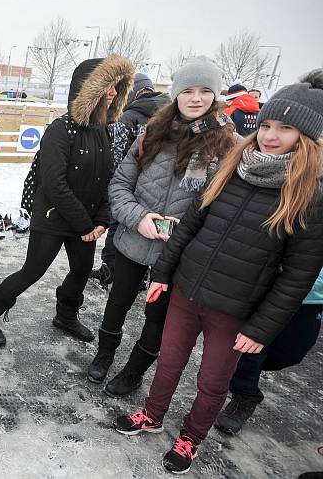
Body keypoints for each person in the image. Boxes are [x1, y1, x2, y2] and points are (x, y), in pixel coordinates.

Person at [115, 70, 323, 474]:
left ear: (307, 137)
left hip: (234, 308)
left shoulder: (310, 196)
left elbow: (297, 274)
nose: (269, 135)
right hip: (186, 291)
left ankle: (191, 437)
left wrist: (261, 328)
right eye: (265, 124)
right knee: (169, 363)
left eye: (284, 128)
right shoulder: (234, 166)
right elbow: (190, 225)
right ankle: (152, 414)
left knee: (212, 382)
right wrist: (162, 274)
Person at [88, 58, 237, 397]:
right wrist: (139, 217)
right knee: (118, 302)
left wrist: (182, 231)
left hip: (176, 254)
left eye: (205, 91)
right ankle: (105, 352)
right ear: (176, 95)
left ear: (215, 96)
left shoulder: (226, 146)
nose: (196, 98)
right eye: (188, 90)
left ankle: (134, 370)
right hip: (133, 240)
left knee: (158, 316)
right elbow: (119, 185)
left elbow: (219, 209)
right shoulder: (152, 133)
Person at [0, 56, 135, 346]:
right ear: (89, 90)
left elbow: (106, 179)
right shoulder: (62, 130)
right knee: (33, 271)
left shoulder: (104, 130)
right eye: (108, 86)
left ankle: (66, 314)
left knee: (83, 270)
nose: (113, 93)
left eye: (115, 88)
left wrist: (101, 219)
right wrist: (87, 224)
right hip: (52, 216)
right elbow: (54, 185)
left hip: (85, 222)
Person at [215, 264, 322, 435]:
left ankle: (240, 371)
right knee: (249, 350)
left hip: (310, 300)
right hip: (271, 291)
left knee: (291, 354)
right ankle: (245, 396)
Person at [90, 72, 170, 286]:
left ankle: (111, 269)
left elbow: (116, 155)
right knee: (151, 228)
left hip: (129, 184)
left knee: (119, 225)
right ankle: (143, 275)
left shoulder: (129, 116)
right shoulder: (169, 115)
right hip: (160, 187)